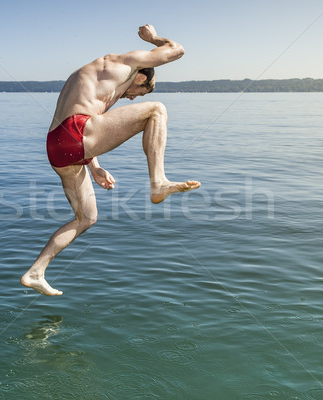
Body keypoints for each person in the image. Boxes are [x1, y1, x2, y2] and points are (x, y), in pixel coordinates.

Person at [21, 25, 201, 296]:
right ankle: (159, 182)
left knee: (87, 217)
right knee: (156, 110)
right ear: (141, 78)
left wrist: (94, 167)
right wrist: (154, 39)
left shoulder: (93, 76)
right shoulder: (126, 63)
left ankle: (36, 272)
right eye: (136, 94)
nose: (130, 98)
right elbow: (177, 50)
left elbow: (82, 123)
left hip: (58, 146)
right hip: (75, 132)